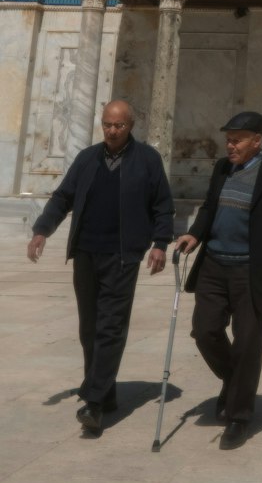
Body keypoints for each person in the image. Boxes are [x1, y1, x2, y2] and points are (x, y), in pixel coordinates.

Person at [27, 98, 174, 435]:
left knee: (110, 326)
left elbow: (162, 205)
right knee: (89, 328)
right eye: (107, 124)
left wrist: (160, 244)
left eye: (118, 125)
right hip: (87, 253)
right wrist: (41, 231)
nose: (111, 130)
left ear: (130, 126)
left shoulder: (147, 160)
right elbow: (63, 197)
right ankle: (105, 393)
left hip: (122, 256)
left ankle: (93, 402)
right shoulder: (87, 158)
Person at [175, 111, 262, 449]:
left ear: (256, 141)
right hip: (215, 266)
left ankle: (238, 416)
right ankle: (235, 381)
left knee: (247, 342)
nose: (230, 145)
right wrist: (194, 235)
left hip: (252, 271)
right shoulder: (222, 169)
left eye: (237, 140)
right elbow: (209, 208)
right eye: (228, 139)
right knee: (205, 330)